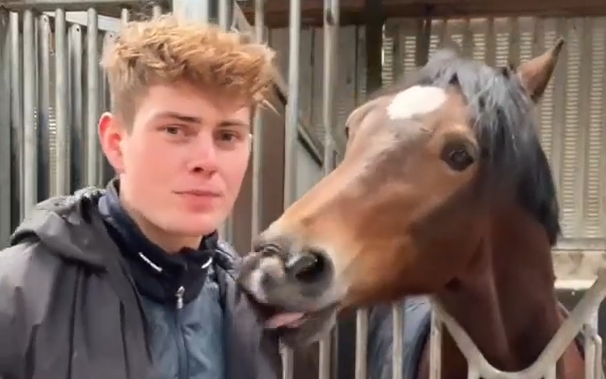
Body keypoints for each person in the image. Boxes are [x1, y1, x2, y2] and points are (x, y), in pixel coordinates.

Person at [0, 15, 282, 379]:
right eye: (176, 130)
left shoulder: (249, 305)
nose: (207, 162)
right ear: (116, 142)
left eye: (228, 136)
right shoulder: (15, 295)